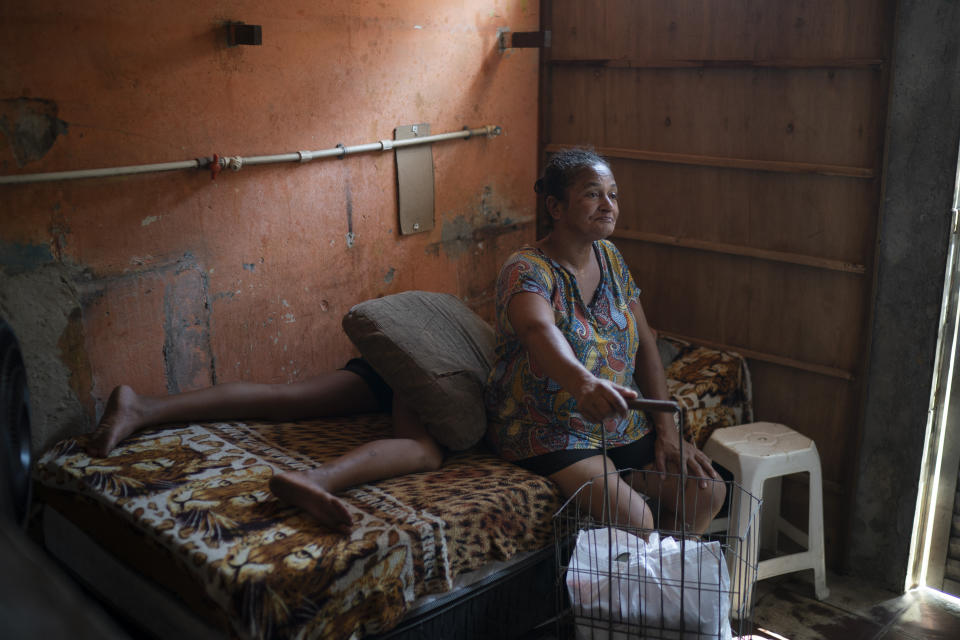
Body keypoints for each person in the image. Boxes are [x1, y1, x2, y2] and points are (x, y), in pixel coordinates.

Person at [484, 148, 725, 534]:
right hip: (549, 427)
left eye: (613, 195)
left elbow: (645, 342)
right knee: (636, 521)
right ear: (556, 207)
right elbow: (537, 330)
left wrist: (667, 431)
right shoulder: (526, 269)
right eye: (593, 194)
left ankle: (656, 586)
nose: (607, 205)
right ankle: (638, 584)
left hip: (616, 424)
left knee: (706, 492)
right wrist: (584, 385)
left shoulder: (610, 258)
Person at [88, 358, 442, 534]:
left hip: (394, 360)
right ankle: (315, 479)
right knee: (421, 448)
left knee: (283, 399)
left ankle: (142, 407)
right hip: (430, 363)